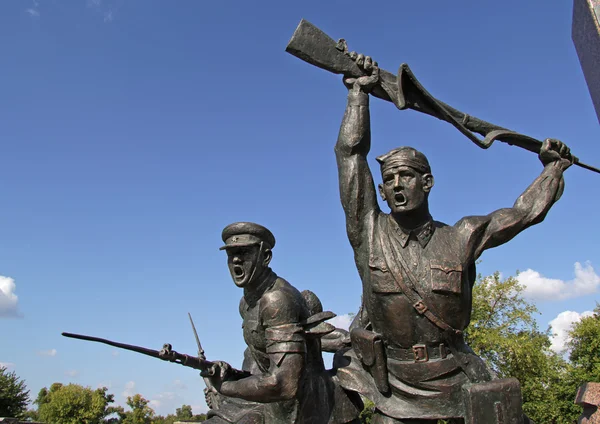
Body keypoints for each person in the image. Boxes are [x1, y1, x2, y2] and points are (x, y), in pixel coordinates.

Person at [332, 54, 572, 423]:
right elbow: (350, 154)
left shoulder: (462, 236)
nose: (397, 185)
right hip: (392, 386)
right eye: (389, 180)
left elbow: (523, 213)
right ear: (380, 191)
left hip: (456, 377)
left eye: (406, 176)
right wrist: (358, 97)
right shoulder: (368, 231)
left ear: (426, 183)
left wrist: (553, 168)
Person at [202, 222, 361, 424]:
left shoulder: (276, 299)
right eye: (231, 254)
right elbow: (258, 363)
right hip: (268, 400)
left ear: (265, 257)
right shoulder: (247, 303)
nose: (235, 260)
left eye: (244, 252)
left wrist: (223, 387)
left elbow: (284, 385)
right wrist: (227, 372)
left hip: (298, 407)